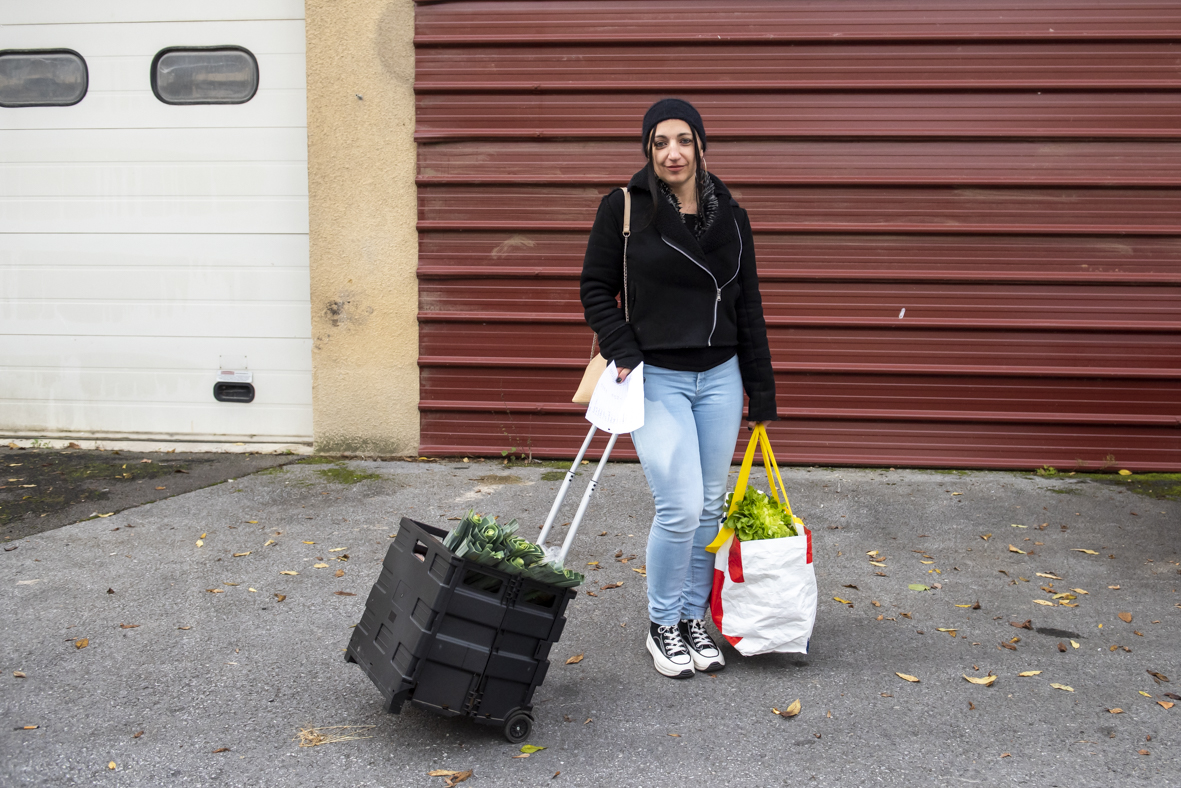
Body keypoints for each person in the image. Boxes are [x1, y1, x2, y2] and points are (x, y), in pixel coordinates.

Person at [580, 98, 777, 678]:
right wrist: (623, 347)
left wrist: (760, 393)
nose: (673, 152)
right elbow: (594, 287)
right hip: (656, 376)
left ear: (700, 147)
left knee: (711, 509)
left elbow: (750, 306)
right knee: (681, 506)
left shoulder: (731, 216)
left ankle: (694, 618)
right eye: (661, 141)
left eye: (684, 140)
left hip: (720, 375)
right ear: (648, 149)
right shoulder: (622, 208)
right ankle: (663, 623)